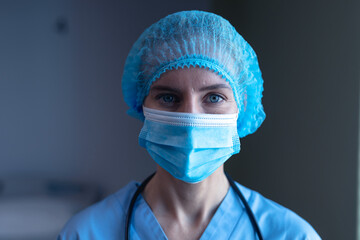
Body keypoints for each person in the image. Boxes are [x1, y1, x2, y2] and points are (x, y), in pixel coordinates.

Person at [58, 10, 321, 239]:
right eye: (168, 97)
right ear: (143, 105)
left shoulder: (291, 235)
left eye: (214, 97)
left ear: (241, 108)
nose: (190, 120)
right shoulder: (86, 233)